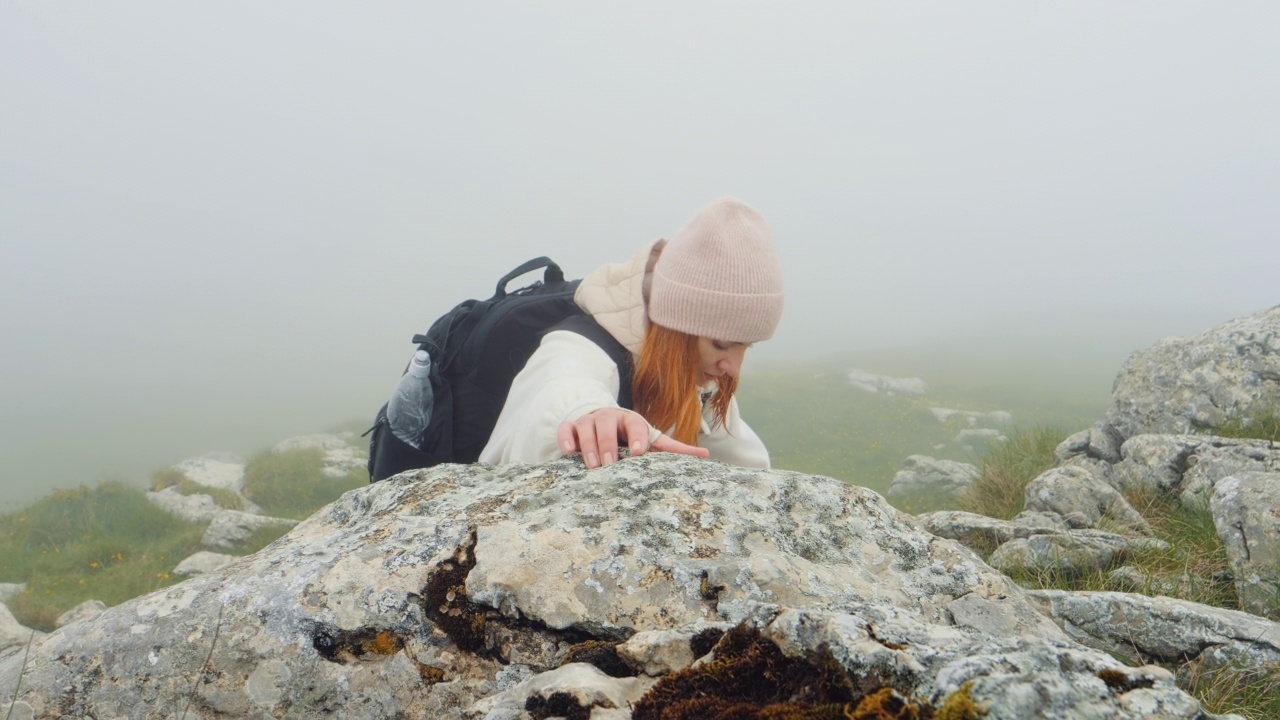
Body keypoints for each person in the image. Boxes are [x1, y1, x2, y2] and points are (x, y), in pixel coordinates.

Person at [479, 197, 785, 470]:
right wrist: (591, 413)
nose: (733, 367)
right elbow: (560, 385)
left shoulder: (698, 380)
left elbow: (748, 467)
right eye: (721, 344)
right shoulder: (580, 345)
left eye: (747, 347)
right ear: (676, 327)